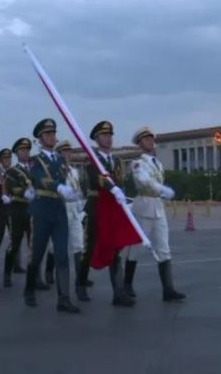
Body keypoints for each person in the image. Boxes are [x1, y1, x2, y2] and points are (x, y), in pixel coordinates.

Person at [23, 118, 80, 314]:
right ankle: (29, 289)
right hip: (42, 210)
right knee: (37, 254)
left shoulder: (61, 160)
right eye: (47, 134)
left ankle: (63, 298)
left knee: (62, 254)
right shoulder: (35, 161)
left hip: (58, 209)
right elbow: (41, 179)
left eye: (53, 133)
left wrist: (71, 193)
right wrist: (59, 187)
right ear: (40, 139)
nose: (52, 137)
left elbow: (64, 182)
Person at [129, 126, 186, 302]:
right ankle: (126, 284)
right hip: (144, 206)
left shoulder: (158, 163)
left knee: (164, 248)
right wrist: (162, 189)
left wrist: (162, 194)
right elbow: (144, 180)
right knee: (136, 248)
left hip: (158, 207)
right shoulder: (137, 163)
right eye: (146, 139)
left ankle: (168, 290)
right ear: (140, 143)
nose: (150, 142)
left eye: (151, 139)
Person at [82, 120, 133, 306]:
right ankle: (81, 284)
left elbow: (121, 182)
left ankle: (118, 293)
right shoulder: (91, 159)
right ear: (96, 139)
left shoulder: (117, 160)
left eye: (110, 135)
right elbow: (97, 180)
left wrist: (123, 197)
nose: (108, 138)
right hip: (96, 205)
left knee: (115, 248)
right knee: (90, 247)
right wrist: (112, 187)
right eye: (104, 135)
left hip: (112, 207)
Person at [56, 140, 88, 303]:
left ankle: (80, 285)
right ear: (59, 154)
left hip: (75, 211)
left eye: (69, 152)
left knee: (79, 247)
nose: (68, 155)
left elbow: (79, 190)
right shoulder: (54, 170)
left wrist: (82, 207)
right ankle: (53, 277)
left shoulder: (74, 172)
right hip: (61, 211)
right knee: (57, 249)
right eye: (65, 152)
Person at [2, 138, 33, 288]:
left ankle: (36, 277)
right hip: (18, 209)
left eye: (27, 150)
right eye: (22, 150)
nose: (25, 152)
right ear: (16, 153)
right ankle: (7, 274)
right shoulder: (12, 171)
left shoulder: (34, 169)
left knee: (33, 244)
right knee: (15, 243)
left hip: (32, 209)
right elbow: (14, 189)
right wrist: (27, 191)